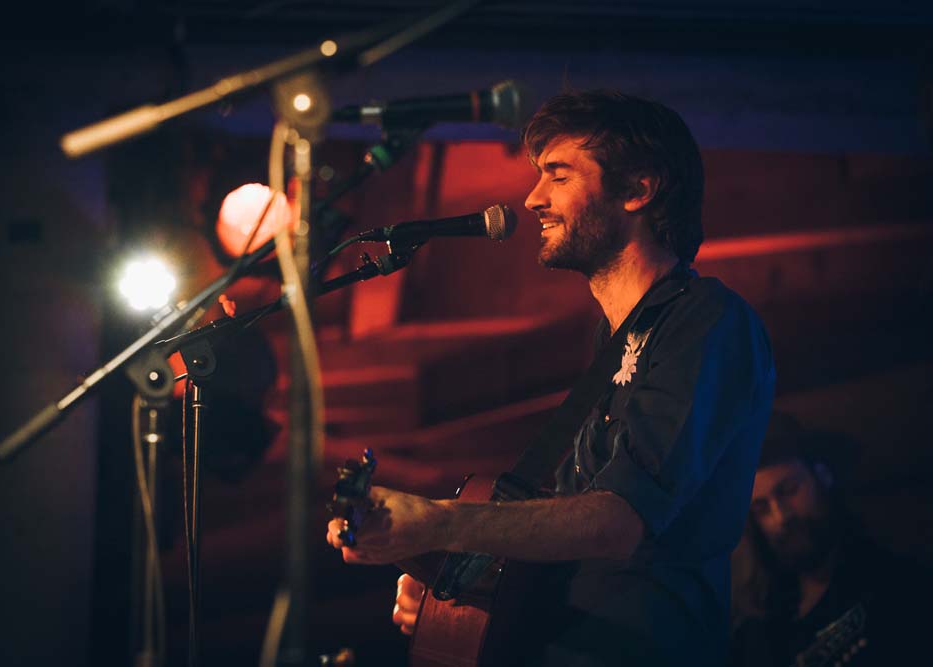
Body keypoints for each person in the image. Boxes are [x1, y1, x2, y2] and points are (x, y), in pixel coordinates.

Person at [326, 89, 776, 666]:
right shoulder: (610, 344)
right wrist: (436, 564)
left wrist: (442, 523)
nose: (533, 198)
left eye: (559, 176)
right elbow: (561, 529)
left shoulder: (707, 320)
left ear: (639, 189)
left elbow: (616, 522)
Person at [729, 411, 932, 666]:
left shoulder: (896, 584)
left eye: (789, 490)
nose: (781, 517)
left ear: (822, 476)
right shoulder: (758, 629)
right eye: (761, 507)